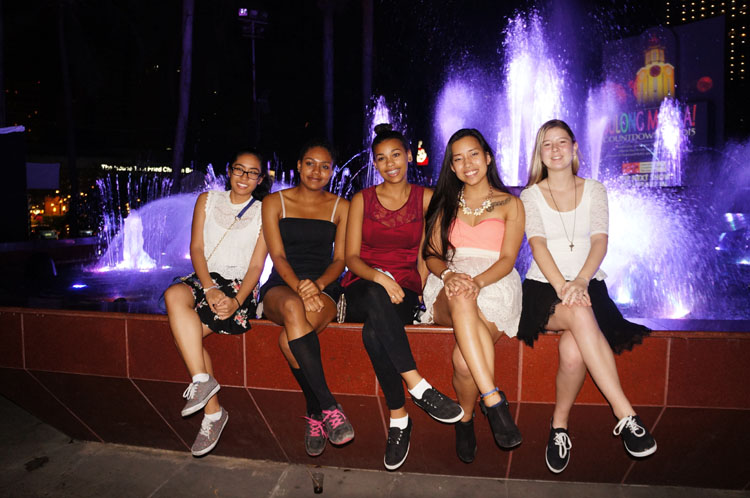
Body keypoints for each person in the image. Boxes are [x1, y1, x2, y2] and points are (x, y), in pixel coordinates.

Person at [518, 119, 656, 474]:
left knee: (573, 351)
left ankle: (559, 426)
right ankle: (625, 414)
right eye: (547, 144)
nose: (555, 149)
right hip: (544, 287)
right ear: (540, 153)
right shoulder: (530, 195)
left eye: (562, 142)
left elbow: (600, 240)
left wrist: (580, 280)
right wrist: (564, 287)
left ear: (575, 147)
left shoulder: (595, 190)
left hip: (589, 283)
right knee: (579, 313)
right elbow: (537, 245)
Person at [342, 124, 464, 471]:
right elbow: (351, 257)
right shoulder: (361, 199)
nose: (389, 163)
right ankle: (418, 385)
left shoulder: (426, 198)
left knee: (373, 333)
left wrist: (422, 292)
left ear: (409, 156)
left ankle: (399, 418)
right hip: (363, 284)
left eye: (396, 155)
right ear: (375, 164)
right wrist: (380, 277)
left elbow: (427, 253)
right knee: (375, 296)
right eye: (381, 158)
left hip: (404, 289)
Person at [421, 128, 525, 463]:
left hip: (496, 281)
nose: (468, 164)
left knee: (464, 362)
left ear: (488, 157)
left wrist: (477, 282)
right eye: (458, 159)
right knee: (460, 293)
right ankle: (492, 400)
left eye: (474, 154)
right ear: (452, 167)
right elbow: (432, 255)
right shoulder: (444, 203)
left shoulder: (511, 203)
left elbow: (508, 259)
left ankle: (465, 419)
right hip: (448, 283)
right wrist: (449, 275)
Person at [164, 149, 269, 456]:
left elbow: (257, 265)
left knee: (187, 336)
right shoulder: (207, 200)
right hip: (203, 280)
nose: (244, 177)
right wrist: (208, 287)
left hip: (239, 286)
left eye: (252, 172)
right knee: (173, 294)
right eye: (239, 169)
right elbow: (196, 248)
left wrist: (237, 301)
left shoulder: (265, 210)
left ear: (260, 179)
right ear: (229, 170)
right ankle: (201, 380)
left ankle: (213, 413)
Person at [260, 139, 353, 457]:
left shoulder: (342, 206)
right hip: (282, 285)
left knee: (289, 342)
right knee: (291, 306)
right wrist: (300, 287)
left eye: (325, 166)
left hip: (324, 287)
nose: (316, 171)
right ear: (299, 165)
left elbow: (340, 260)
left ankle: (314, 412)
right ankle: (329, 405)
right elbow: (277, 255)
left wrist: (318, 285)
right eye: (310, 163)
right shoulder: (274, 202)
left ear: (332, 171)